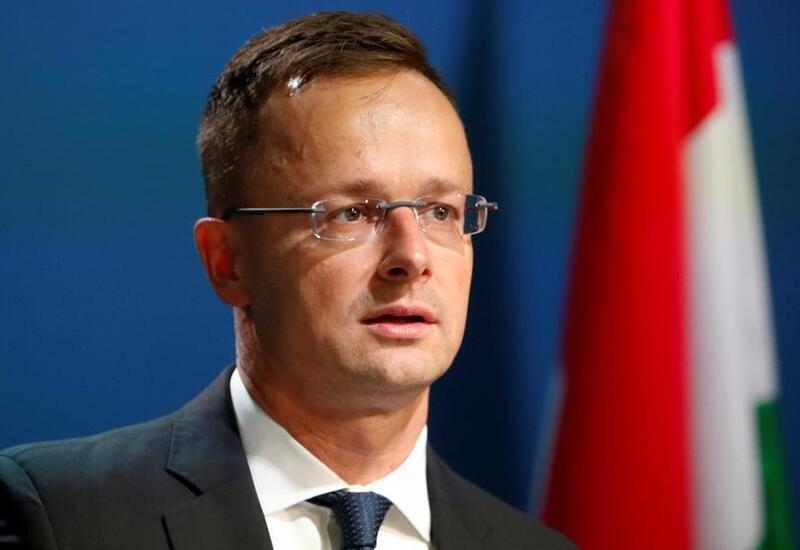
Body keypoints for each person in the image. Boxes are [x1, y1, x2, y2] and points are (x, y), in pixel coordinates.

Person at [0, 11, 575, 550]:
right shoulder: (61, 516)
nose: (412, 256)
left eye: (441, 211)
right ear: (227, 261)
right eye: (352, 213)